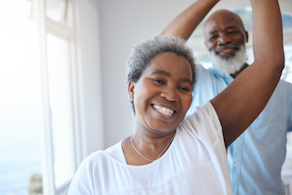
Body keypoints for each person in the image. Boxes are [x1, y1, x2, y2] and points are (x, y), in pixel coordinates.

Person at [68, 0, 284, 194]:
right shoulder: (95, 171)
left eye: (183, 87)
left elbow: (269, 64)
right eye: (159, 80)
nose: (171, 94)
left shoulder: (204, 132)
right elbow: (158, 50)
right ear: (132, 89)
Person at [161, 2, 292, 195]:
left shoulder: (284, 92)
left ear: (247, 36)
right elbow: (159, 51)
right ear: (206, 45)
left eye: (232, 31)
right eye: (213, 36)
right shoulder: (194, 81)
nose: (223, 40)